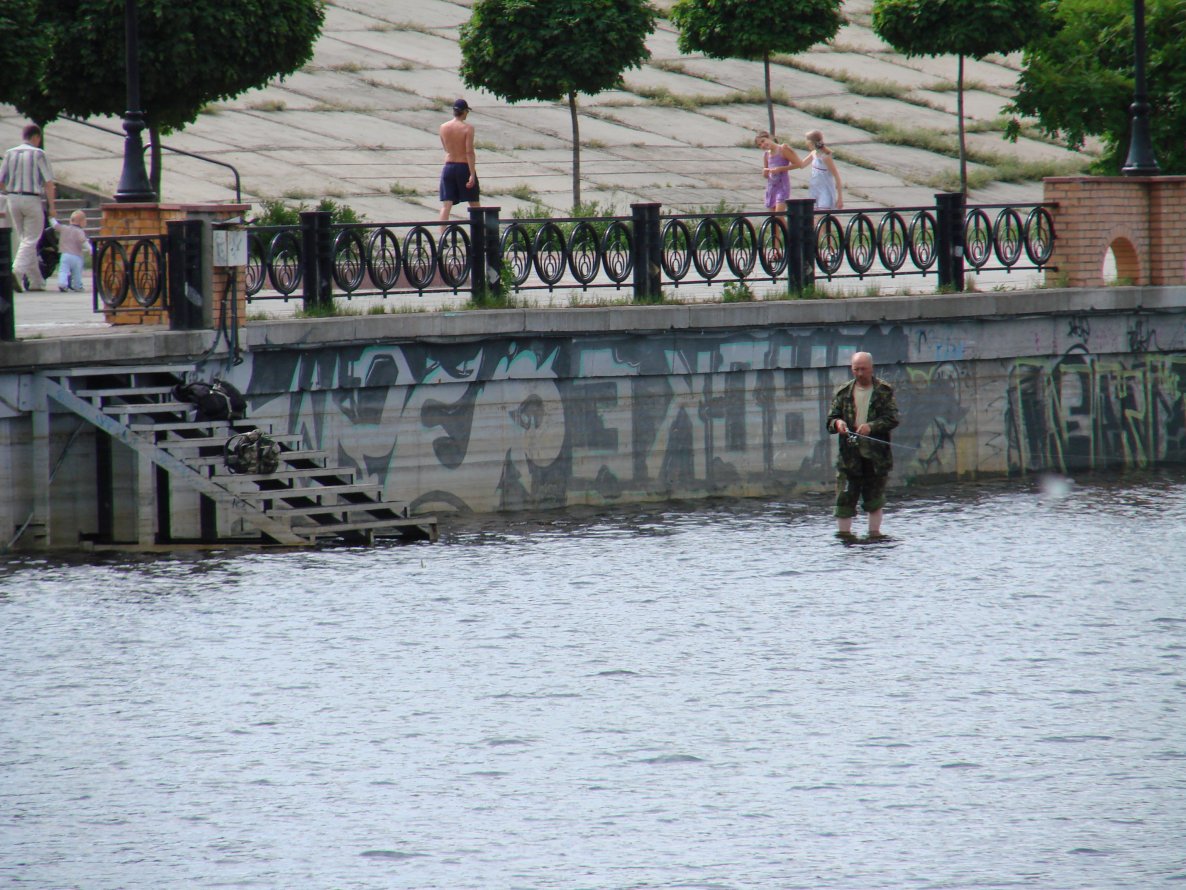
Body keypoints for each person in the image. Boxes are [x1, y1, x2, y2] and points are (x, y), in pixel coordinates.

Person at [826, 351, 899, 537]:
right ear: (852, 369)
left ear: (871, 369)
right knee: (844, 501)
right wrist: (838, 424)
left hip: (876, 458)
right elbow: (831, 420)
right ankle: (844, 538)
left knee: (874, 500)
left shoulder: (883, 391)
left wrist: (871, 427)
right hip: (849, 459)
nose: (859, 373)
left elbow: (892, 419)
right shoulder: (843, 392)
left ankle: (874, 535)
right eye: (856, 369)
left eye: (863, 369)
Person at [0, 124, 57, 292]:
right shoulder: (39, 154)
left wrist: (9, 191)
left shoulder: (10, 153)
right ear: (36, 137)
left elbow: (1, 180)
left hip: (12, 198)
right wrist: (52, 206)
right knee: (31, 239)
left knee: (24, 238)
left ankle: (36, 281)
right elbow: (48, 183)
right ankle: (16, 271)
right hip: (32, 198)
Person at [438, 98, 479, 225]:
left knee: (446, 205)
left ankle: (442, 237)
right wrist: (472, 174)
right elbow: (469, 152)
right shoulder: (467, 128)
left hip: (449, 166)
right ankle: (480, 236)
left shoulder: (443, 127)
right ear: (465, 111)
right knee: (474, 202)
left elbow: (446, 147)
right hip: (463, 166)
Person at [755, 131, 802, 214]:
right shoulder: (766, 155)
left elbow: (798, 164)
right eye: (759, 145)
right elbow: (766, 172)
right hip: (771, 187)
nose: (762, 145)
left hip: (782, 186)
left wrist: (780, 169)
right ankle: (785, 227)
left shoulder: (782, 149)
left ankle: (790, 227)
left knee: (779, 215)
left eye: (763, 141)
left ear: (770, 138)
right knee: (773, 217)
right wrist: (765, 173)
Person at [798, 129, 843, 211]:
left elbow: (836, 176)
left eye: (807, 140)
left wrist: (840, 198)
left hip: (825, 192)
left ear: (811, 142)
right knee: (815, 219)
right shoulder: (813, 154)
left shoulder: (825, 157)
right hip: (814, 190)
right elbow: (801, 165)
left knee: (820, 220)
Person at [50, 210, 91, 292]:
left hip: (65, 255)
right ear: (82, 222)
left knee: (63, 271)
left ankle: (62, 284)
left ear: (70, 220)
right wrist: (91, 249)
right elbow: (84, 242)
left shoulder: (64, 228)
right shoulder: (79, 231)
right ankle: (77, 285)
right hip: (77, 256)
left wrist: (51, 218)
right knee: (77, 273)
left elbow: (55, 225)